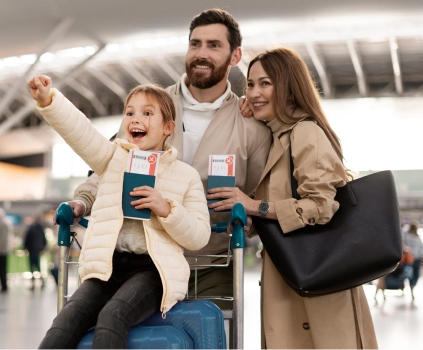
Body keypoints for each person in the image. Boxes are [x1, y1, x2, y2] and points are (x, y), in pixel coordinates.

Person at [65, 8, 272, 310]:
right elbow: (113, 165)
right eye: (195, 44)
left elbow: (258, 196)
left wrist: (249, 220)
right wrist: (83, 200)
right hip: (143, 261)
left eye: (214, 45)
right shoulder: (150, 107)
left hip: (212, 265)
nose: (201, 53)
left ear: (235, 55)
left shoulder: (251, 127)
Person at [209, 47, 378, 349]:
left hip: (318, 282)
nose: (254, 92)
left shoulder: (305, 133)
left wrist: (254, 205)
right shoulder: (278, 137)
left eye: (266, 83)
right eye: (250, 84)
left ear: (288, 89)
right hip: (292, 276)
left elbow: (320, 206)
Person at [28, 76, 211, 349]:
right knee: (65, 322)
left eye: (148, 113)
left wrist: (166, 209)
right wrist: (48, 100)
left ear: (168, 127)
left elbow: (199, 236)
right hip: (107, 266)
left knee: (113, 315)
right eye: (130, 112)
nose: (136, 118)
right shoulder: (113, 158)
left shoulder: (186, 176)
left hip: (152, 271)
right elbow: (81, 133)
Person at [23, 214, 48, 290]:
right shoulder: (41, 228)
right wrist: (43, 247)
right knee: (38, 266)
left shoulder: (31, 228)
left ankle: (33, 284)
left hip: (32, 249)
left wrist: (25, 247)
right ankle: (42, 282)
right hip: (38, 249)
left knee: (32, 267)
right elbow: (44, 239)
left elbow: (27, 238)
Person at [0, 208, 13, 293]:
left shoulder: (4, 224)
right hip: (2, 249)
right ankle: (3, 286)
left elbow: (2, 238)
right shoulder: (4, 223)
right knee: (1, 268)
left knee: (2, 268)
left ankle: (4, 286)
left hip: (2, 250)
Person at [403, 220, 423, 299]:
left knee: (415, 274)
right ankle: (411, 286)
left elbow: (421, 247)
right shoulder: (406, 235)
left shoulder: (417, 236)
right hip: (409, 258)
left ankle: (412, 286)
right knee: (410, 273)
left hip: (416, 258)